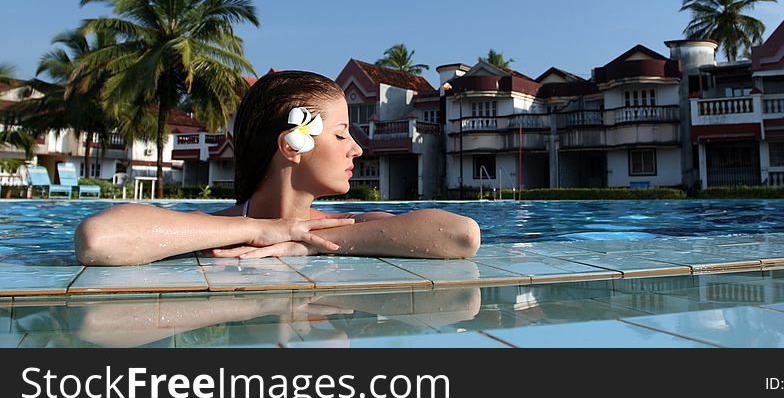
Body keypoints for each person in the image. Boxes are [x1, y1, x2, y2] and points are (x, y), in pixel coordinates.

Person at [75, 70, 480, 266]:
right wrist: (258, 229)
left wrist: (305, 241)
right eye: (341, 134)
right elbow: (97, 238)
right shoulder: (212, 228)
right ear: (292, 146)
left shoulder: (346, 225)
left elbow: (461, 235)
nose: (357, 148)